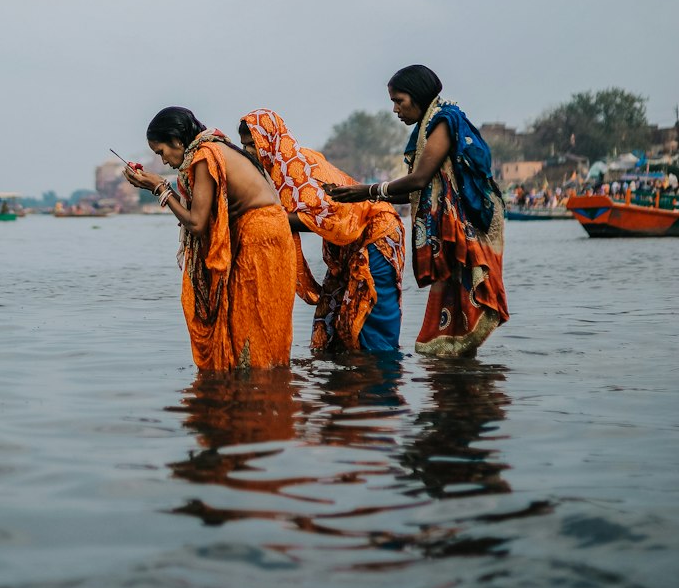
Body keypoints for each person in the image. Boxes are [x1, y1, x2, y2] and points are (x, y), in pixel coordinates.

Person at [327, 64, 508, 358]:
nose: (396, 109)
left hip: (469, 223)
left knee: (465, 298)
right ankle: (456, 373)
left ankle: (460, 375)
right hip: (454, 226)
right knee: (453, 302)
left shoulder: (443, 122)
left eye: (399, 101)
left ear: (418, 95)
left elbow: (419, 180)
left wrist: (367, 191)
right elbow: (417, 188)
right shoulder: (434, 122)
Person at [125, 107, 296, 372]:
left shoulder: (204, 156)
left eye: (161, 152)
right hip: (267, 234)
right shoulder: (214, 146)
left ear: (176, 141)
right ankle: (266, 397)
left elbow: (196, 223)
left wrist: (160, 188)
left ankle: (258, 397)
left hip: (260, 239)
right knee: (254, 326)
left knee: (250, 326)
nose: (163, 160)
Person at [238, 109, 403, 353]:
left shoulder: (301, 166)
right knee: (331, 324)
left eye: (254, 144)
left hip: (375, 233)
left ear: (270, 140)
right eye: (245, 146)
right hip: (345, 243)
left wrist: (259, 218)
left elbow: (324, 218)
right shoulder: (272, 175)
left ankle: (381, 378)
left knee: (366, 319)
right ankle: (345, 384)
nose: (249, 152)